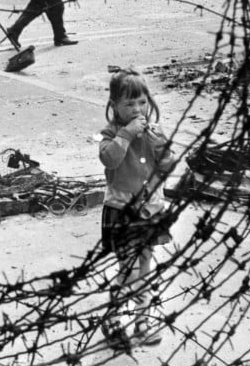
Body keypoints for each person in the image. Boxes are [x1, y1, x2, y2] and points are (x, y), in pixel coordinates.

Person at [97, 68, 176, 349]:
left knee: (145, 264)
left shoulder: (155, 132)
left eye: (141, 102)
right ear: (114, 106)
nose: (136, 109)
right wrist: (127, 135)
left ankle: (143, 320)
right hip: (122, 209)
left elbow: (168, 166)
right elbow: (110, 160)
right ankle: (113, 317)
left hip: (151, 209)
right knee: (128, 269)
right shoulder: (111, 133)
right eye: (128, 104)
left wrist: (161, 147)